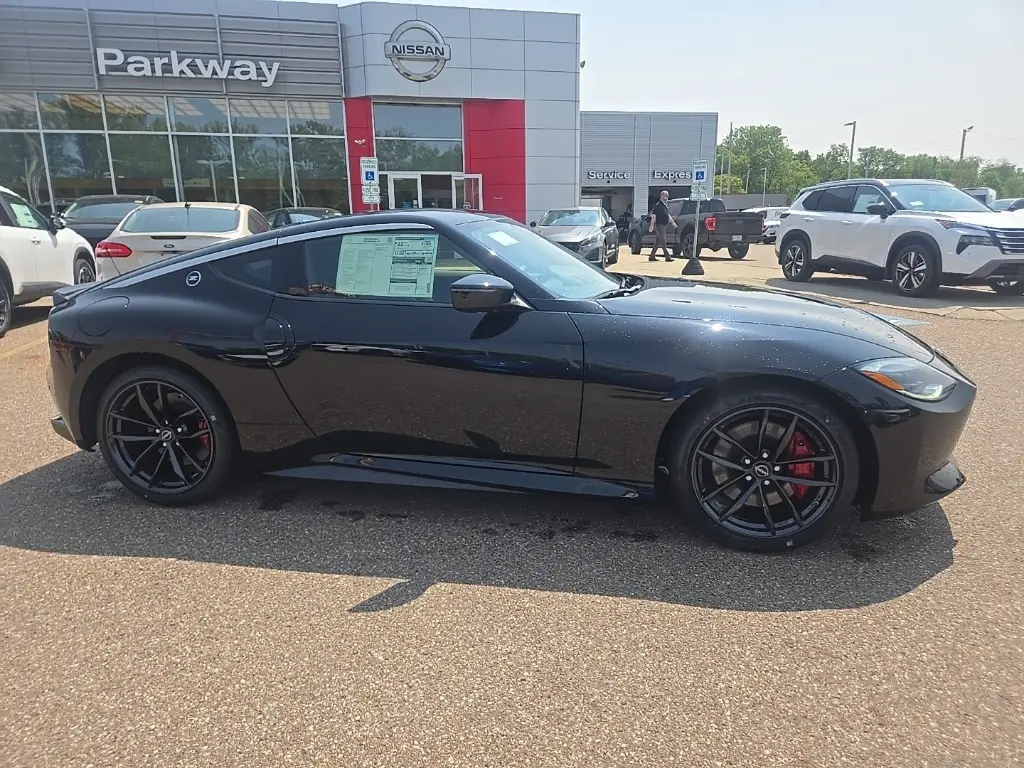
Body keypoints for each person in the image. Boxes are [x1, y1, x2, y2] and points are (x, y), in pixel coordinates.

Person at [648, 190, 676, 262]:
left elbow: (667, 215)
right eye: (665, 195)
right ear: (661, 196)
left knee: (658, 241)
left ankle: (652, 256)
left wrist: (673, 223)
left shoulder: (665, 205)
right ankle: (667, 257)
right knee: (663, 241)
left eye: (667, 195)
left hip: (663, 225)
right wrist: (651, 226)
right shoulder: (658, 205)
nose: (666, 197)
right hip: (659, 225)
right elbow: (653, 216)